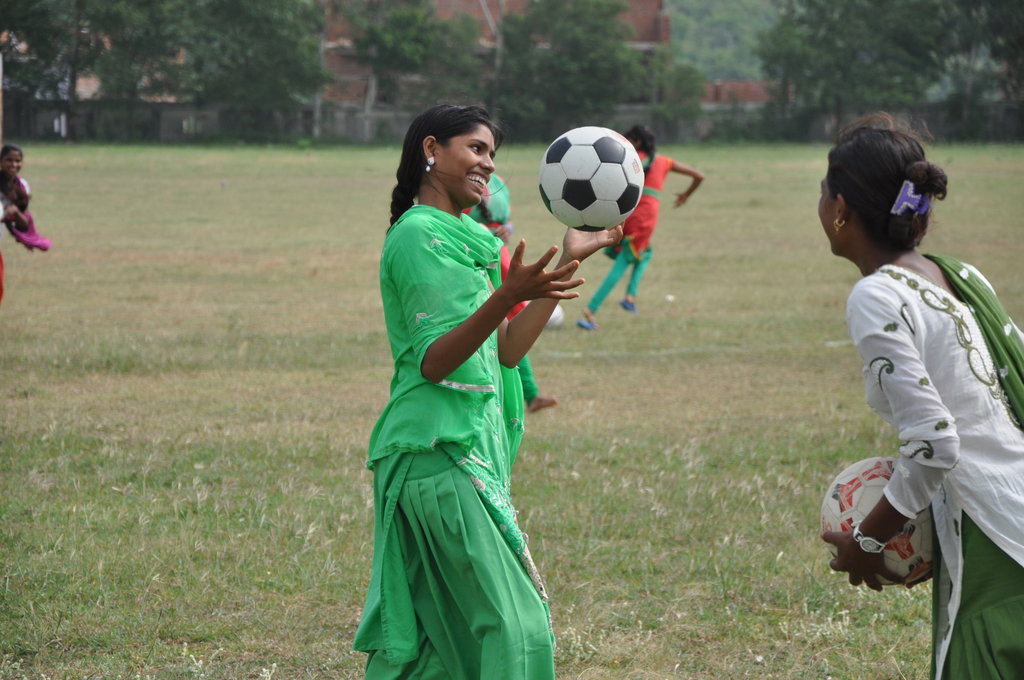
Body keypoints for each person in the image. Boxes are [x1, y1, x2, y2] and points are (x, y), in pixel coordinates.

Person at [353, 104, 622, 679]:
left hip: (462, 450)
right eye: (476, 149)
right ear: (431, 149)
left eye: (492, 156)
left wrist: (568, 260)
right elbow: (432, 361)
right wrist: (504, 296)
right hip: (439, 453)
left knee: (441, 647)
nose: (487, 166)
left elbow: (503, 352)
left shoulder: (466, 238)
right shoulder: (420, 235)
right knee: (517, 627)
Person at [818, 114, 1024, 679]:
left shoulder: (876, 297)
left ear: (840, 209)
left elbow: (935, 443)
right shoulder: (962, 276)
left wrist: (868, 538)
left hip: (996, 536)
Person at [577, 124, 703, 330]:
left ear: (637, 142)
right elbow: (699, 175)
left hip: (626, 212)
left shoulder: (629, 159)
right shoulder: (664, 161)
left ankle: (630, 296)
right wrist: (686, 195)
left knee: (646, 252)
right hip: (645, 216)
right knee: (624, 261)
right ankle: (591, 309)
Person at [467, 174, 559, 413]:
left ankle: (529, 395)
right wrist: (485, 232)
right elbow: (456, 222)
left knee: (509, 329)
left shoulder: (497, 182)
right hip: (477, 262)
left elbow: (507, 220)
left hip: (503, 261)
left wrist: (507, 229)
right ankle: (528, 395)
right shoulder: (463, 182)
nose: (486, 159)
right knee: (502, 329)